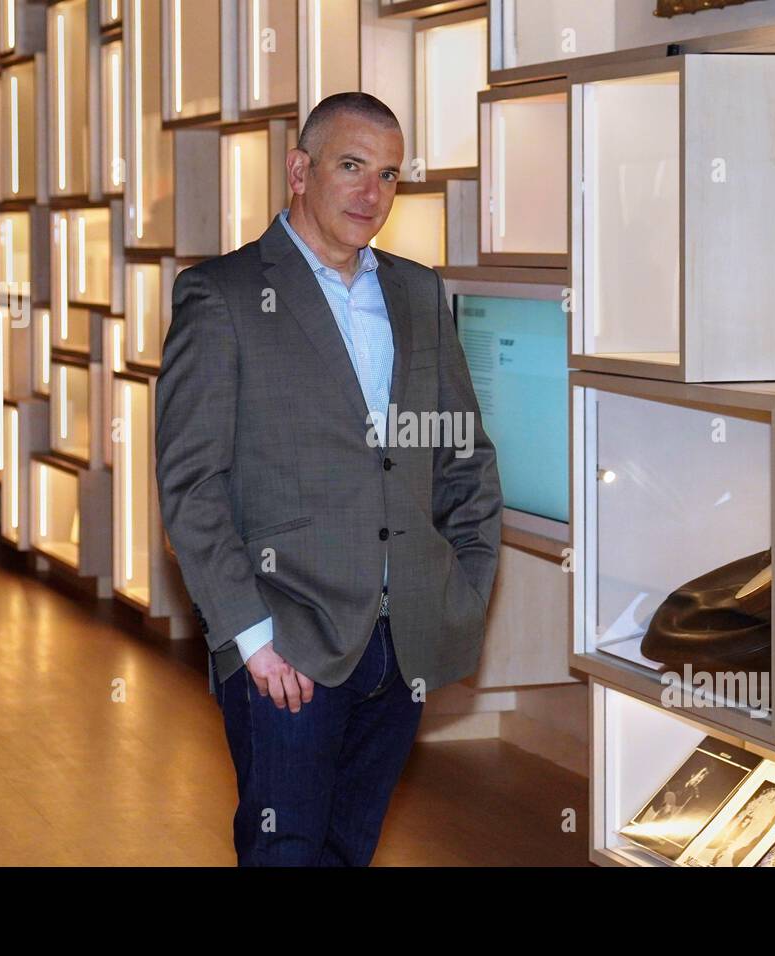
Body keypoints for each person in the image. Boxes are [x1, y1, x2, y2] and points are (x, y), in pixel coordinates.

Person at [155, 92, 503, 866]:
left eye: (387, 175)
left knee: (350, 852)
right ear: (299, 169)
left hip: (402, 645)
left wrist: (463, 590)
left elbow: (465, 458)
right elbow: (191, 486)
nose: (371, 195)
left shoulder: (418, 293)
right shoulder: (224, 295)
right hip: (289, 649)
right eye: (351, 167)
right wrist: (251, 640)